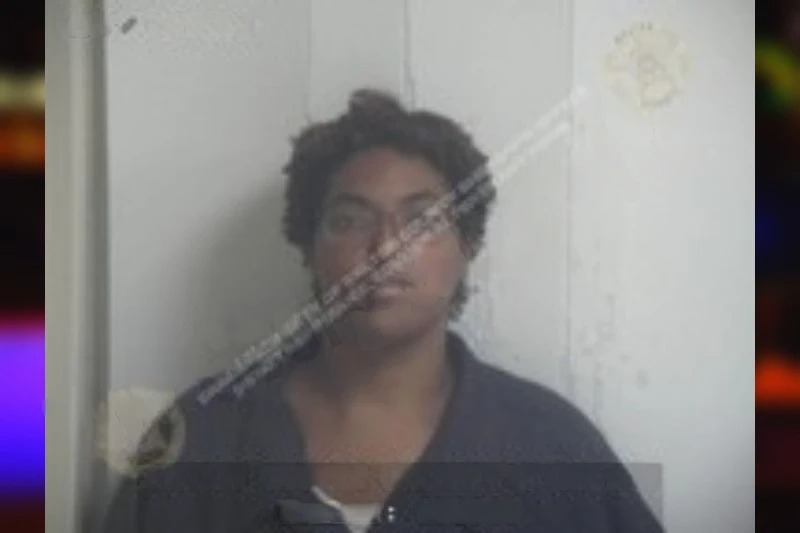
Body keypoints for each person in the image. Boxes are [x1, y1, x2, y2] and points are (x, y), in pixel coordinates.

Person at [102, 89, 663, 532]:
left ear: (467, 245)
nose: (385, 247)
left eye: (421, 220)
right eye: (350, 219)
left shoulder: (551, 448)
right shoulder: (202, 437)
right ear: (310, 247)